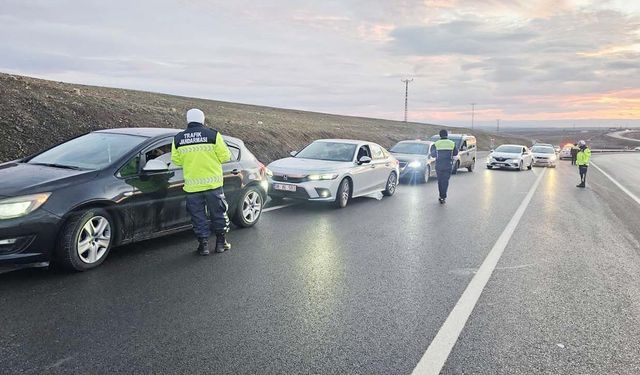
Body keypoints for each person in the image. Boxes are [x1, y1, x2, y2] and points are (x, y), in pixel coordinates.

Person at [171, 108, 232, 255]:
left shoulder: (178, 138)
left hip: (192, 187)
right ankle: (220, 243)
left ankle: (203, 246)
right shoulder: (213, 135)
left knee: (198, 217)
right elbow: (225, 157)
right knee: (218, 214)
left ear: (187, 120)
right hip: (213, 186)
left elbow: (176, 160)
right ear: (203, 120)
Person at [431, 129, 458, 204]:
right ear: (447, 135)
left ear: (440, 135)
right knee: (445, 181)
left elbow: (433, 155)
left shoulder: (436, 144)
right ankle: (443, 197)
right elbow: (455, 153)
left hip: (439, 165)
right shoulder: (452, 143)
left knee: (440, 181)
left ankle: (441, 196)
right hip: (448, 165)